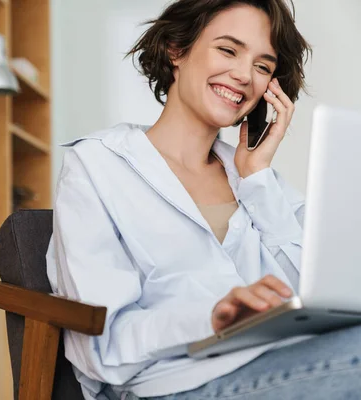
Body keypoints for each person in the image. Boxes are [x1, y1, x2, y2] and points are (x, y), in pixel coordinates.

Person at [46, 0, 361, 399]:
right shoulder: (97, 165)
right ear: (176, 49)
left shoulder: (259, 180)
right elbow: (103, 343)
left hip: (280, 364)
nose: (245, 75)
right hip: (167, 385)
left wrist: (258, 182)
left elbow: (322, 303)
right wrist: (211, 319)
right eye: (228, 50)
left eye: (263, 67)